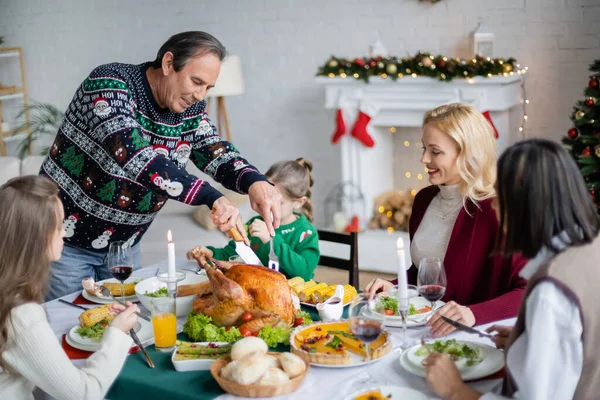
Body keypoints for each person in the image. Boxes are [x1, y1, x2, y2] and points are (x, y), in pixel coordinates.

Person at [41, 31, 282, 300]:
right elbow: (135, 155)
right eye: (196, 81)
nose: (200, 95)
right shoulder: (110, 84)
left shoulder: (190, 109)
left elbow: (213, 150)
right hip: (63, 243)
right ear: (168, 64)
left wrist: (255, 181)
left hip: (125, 247)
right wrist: (212, 197)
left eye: (208, 88)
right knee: (70, 329)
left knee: (126, 331)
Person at [423, 138, 600, 400]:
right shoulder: (591, 246)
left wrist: (454, 390)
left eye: (500, 196)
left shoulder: (551, 291)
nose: (493, 206)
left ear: (525, 205)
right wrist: (528, 339)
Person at [364, 103, 527, 335]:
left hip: (476, 337)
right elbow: (425, 272)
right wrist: (395, 285)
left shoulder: (501, 210)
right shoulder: (423, 199)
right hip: (425, 327)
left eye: (435, 151)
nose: (423, 159)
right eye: (424, 148)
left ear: (468, 153)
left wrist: (473, 313)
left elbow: (528, 291)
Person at [0, 176, 141, 400]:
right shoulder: (20, 314)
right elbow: (85, 394)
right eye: (58, 226)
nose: (64, 233)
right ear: (35, 238)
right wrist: (116, 333)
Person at [189, 158, 320, 280]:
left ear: (299, 202)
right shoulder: (255, 223)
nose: (268, 206)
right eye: (265, 199)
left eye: (278, 202)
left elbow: (304, 272)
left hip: (292, 299)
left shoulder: (306, 233)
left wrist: (271, 241)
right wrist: (210, 253)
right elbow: (230, 254)